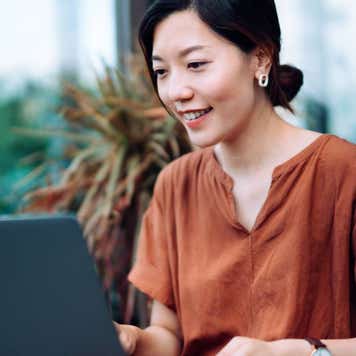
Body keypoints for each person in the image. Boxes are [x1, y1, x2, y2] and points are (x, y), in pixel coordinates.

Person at [114, 0, 356, 355]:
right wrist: (132, 341)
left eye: (196, 65)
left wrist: (293, 352)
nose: (176, 91)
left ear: (260, 58)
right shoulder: (175, 185)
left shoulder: (343, 171)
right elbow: (169, 335)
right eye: (162, 71)